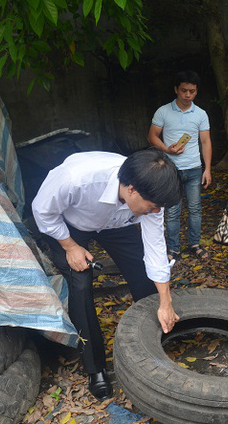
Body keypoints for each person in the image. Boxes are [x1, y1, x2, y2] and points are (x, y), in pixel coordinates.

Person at [32, 148, 181, 400]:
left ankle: (157, 338)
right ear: (131, 189)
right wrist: (69, 246)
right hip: (71, 225)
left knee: (144, 276)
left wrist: (166, 302)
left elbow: (155, 247)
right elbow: (42, 210)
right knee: (80, 285)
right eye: (153, 207)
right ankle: (95, 367)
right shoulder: (76, 178)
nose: (157, 212)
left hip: (118, 224)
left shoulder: (152, 195)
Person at [148, 70, 212, 262]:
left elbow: (206, 142)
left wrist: (207, 168)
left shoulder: (200, 114)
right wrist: (167, 150)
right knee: (172, 211)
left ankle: (195, 244)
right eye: (184, 90)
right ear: (176, 89)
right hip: (171, 169)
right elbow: (152, 136)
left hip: (194, 168)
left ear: (196, 91)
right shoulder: (163, 111)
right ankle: (174, 248)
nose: (187, 95)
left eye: (192, 91)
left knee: (195, 209)